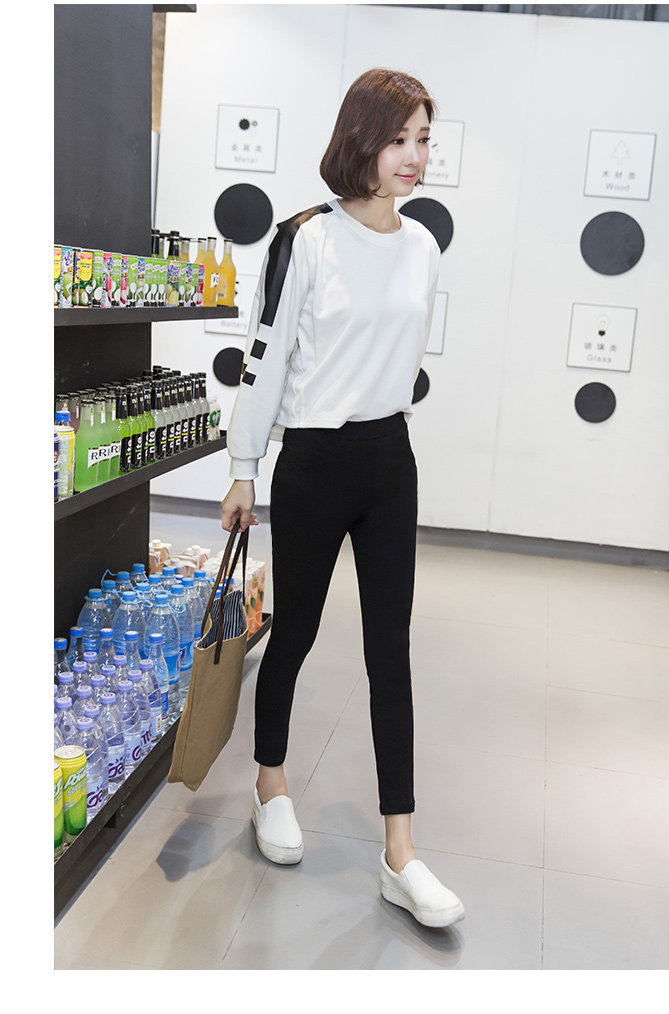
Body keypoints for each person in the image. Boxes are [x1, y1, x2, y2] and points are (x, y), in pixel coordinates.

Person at [221, 68, 464, 929]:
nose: (415, 155)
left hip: (390, 459)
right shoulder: (305, 239)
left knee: (390, 649)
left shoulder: (422, 247)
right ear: (361, 139)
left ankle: (401, 852)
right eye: (399, 138)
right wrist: (244, 466)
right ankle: (270, 782)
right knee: (296, 632)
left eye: (424, 138)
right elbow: (266, 356)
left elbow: (401, 359)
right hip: (316, 461)